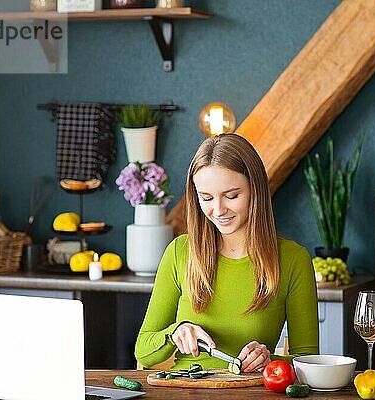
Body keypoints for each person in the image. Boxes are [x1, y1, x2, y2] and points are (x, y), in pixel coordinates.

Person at [134, 134, 318, 373]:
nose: (218, 210)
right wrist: (175, 333)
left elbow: (309, 360)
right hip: (186, 391)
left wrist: (270, 360)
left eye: (232, 196)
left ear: (256, 190)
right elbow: (144, 353)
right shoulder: (180, 252)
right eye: (206, 198)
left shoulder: (293, 259)